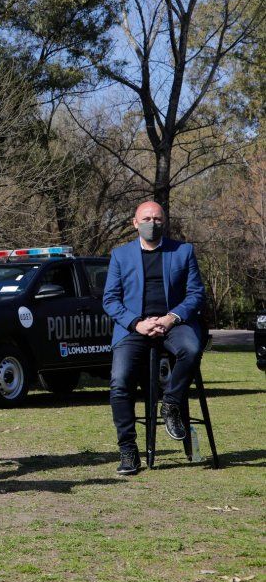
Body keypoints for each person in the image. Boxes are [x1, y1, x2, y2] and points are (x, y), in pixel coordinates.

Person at [103, 201, 206, 475]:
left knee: (191, 349)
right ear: (135, 223)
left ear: (165, 222)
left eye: (157, 219)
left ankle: (170, 403)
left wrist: (172, 317)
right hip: (134, 328)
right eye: (146, 219)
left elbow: (196, 294)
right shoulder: (120, 255)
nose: (152, 223)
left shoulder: (183, 251)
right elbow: (110, 300)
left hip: (174, 324)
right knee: (120, 381)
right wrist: (136, 323)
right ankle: (128, 451)